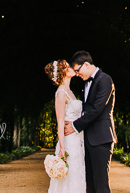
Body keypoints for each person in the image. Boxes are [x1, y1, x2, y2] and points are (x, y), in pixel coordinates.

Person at [64, 51, 116, 193]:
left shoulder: (105, 80)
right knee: (90, 186)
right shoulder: (86, 84)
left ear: (86, 64)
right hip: (88, 139)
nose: (76, 74)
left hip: (100, 139)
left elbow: (96, 109)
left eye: (77, 70)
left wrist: (75, 125)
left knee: (101, 185)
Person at [44, 59, 86, 192]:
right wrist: (62, 148)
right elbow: (60, 121)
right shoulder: (61, 93)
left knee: (77, 175)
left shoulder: (70, 91)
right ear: (62, 73)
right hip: (69, 142)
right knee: (70, 178)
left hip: (78, 139)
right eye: (68, 67)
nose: (71, 67)